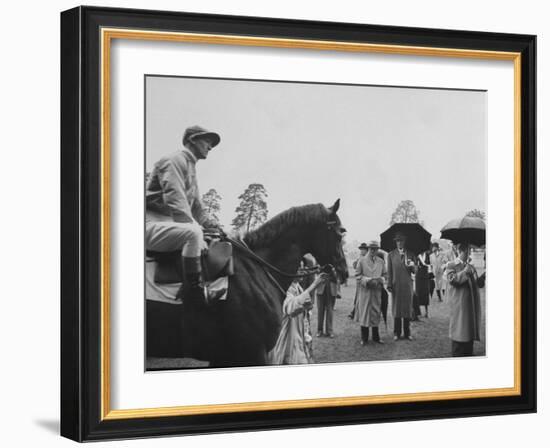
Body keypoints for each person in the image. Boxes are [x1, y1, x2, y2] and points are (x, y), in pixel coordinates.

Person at [145, 125, 223, 304]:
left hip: (169, 224)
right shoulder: (174, 160)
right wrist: (196, 228)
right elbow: (175, 199)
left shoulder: (191, 169)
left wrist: (213, 225)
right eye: (207, 141)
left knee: (210, 237)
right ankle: (194, 291)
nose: (210, 147)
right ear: (192, 139)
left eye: (211, 144)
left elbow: (198, 208)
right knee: (194, 234)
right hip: (149, 223)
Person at [268, 271, 329, 365]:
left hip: (299, 341)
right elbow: (291, 308)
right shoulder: (284, 288)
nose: (303, 271)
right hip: (288, 342)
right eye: (299, 267)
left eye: (303, 267)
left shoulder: (297, 286)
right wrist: (315, 284)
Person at [446, 242, 485, 356]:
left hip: (470, 308)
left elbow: (478, 284)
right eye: (465, 250)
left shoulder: (471, 266)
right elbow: (453, 280)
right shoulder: (451, 265)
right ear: (459, 251)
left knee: (468, 338)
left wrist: (483, 276)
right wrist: (464, 272)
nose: (467, 253)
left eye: (468, 250)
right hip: (460, 309)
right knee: (459, 337)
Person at [354, 240, 387, 345]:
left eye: (375, 249)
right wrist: (367, 280)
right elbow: (357, 276)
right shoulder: (362, 261)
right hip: (365, 292)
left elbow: (385, 275)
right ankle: (364, 338)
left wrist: (381, 280)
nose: (373, 250)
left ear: (378, 250)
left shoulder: (381, 262)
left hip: (377, 291)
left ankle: (376, 337)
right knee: (365, 313)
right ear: (368, 249)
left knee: (376, 313)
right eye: (371, 248)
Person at [387, 232, 416, 341]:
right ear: (396, 242)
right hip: (396, 285)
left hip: (407, 285)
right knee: (397, 309)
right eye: (398, 241)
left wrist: (413, 266)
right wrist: (389, 284)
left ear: (405, 242)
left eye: (401, 241)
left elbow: (416, 271)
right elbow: (389, 271)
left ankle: (407, 333)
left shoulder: (411, 254)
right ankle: (397, 333)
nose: (399, 243)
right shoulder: (391, 255)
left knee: (407, 309)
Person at [316, 268, 339, 338]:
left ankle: (329, 331)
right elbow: (317, 272)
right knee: (320, 311)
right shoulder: (321, 260)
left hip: (331, 288)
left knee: (330, 311)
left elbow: (338, 276)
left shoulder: (335, 261)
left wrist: (333, 270)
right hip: (321, 288)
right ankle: (319, 330)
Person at [348, 243, 369, 320]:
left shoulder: (368, 258)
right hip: (359, 280)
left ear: (366, 250)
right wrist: (356, 262)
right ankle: (355, 312)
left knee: (363, 297)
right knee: (357, 297)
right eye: (361, 249)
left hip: (365, 280)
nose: (361, 251)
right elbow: (354, 267)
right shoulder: (360, 257)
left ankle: (356, 313)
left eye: (363, 249)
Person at [415, 250, 431, 318]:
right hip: (418, 277)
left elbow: (430, 264)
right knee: (418, 293)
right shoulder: (417, 256)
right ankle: (419, 312)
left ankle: (426, 312)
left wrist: (426, 265)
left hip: (425, 276)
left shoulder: (427, 255)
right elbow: (415, 265)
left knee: (426, 293)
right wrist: (417, 265)